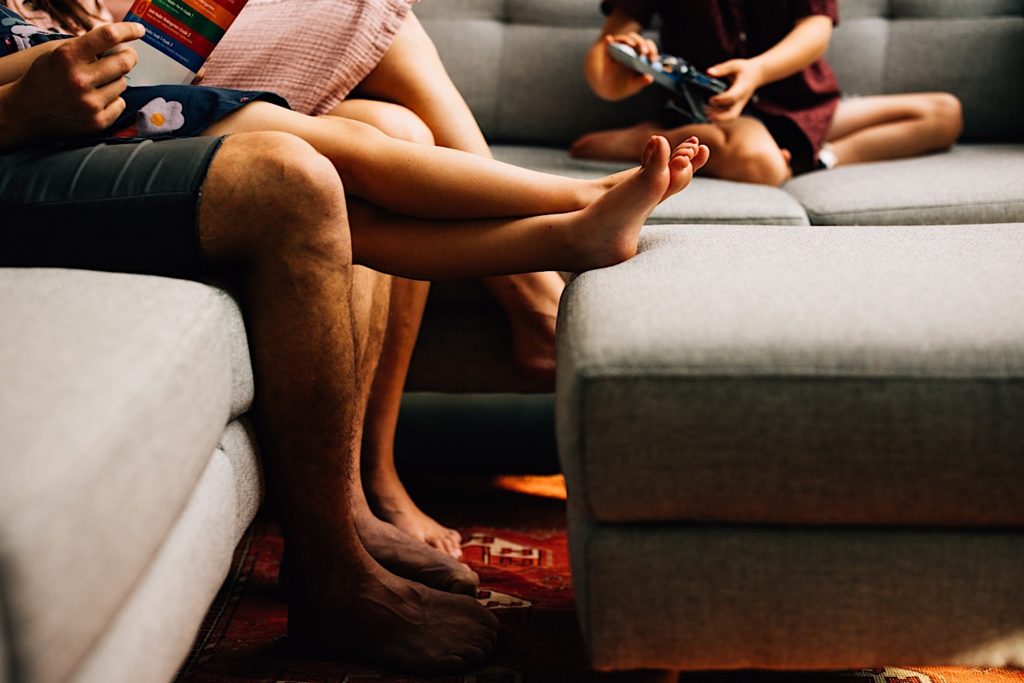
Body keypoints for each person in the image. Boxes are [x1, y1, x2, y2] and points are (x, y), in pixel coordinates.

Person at [0, 12, 709, 674]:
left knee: (382, 130)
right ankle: (569, 211)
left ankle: (563, 236)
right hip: (37, 146)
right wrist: (20, 107)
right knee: (298, 171)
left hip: (95, 117)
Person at [570, 0, 963, 185]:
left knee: (944, 113)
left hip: (805, 106)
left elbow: (816, 29)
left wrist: (758, 71)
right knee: (765, 168)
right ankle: (653, 137)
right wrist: (614, 75)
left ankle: (818, 160)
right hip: (720, 109)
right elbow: (609, 47)